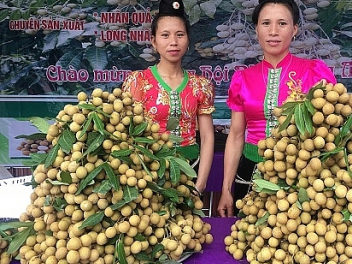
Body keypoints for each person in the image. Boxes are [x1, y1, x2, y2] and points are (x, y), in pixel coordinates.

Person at [217, 0, 337, 217]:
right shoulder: (242, 78)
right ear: (256, 30)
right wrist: (226, 189)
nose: (273, 31)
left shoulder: (315, 73)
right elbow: (235, 136)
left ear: (294, 30)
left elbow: (333, 130)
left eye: (282, 23)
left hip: (301, 176)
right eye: (266, 23)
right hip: (251, 173)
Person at [121, 0, 215, 193]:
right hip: (149, 174)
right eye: (165, 35)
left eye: (180, 35)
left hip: (191, 170)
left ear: (188, 39)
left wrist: (200, 184)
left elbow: (206, 137)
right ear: (154, 42)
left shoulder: (200, 85)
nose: (173, 42)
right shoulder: (138, 81)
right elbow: (126, 135)